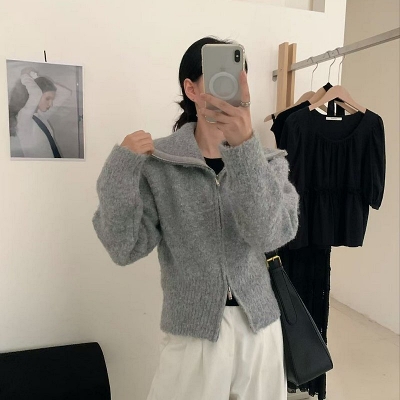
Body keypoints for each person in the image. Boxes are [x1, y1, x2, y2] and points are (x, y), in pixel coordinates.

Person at [92, 36, 300, 400]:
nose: (231, 88)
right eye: (219, 78)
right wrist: (120, 169)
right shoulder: (159, 164)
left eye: (238, 78)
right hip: (192, 334)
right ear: (191, 89)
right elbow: (124, 248)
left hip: (260, 329)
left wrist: (245, 150)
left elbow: (269, 235)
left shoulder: (268, 162)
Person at [8, 67, 71, 158]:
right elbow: (36, 93)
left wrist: (37, 78)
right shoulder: (23, 119)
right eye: (47, 99)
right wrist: (25, 76)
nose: (51, 104)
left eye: (52, 99)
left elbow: (66, 93)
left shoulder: (40, 116)